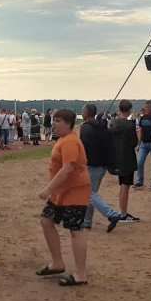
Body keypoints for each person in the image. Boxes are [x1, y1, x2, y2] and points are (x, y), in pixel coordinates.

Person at [35, 109, 93, 286]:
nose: (54, 124)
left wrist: (48, 189)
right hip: (60, 192)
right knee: (46, 221)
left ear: (69, 124)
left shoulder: (70, 141)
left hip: (75, 192)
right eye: (54, 120)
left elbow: (68, 169)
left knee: (75, 231)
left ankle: (81, 274)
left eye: (58, 120)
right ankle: (57, 263)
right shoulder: (63, 140)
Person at [79, 104, 123, 233]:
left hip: (91, 165)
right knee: (91, 193)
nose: (82, 113)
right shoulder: (103, 127)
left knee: (88, 193)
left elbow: (83, 147)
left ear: (87, 113)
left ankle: (111, 214)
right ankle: (87, 222)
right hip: (102, 165)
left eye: (83, 111)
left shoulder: (86, 128)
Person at [109, 100, 140, 225]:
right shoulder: (130, 125)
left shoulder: (113, 123)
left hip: (116, 158)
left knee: (123, 184)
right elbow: (134, 143)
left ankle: (123, 212)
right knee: (125, 185)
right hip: (127, 158)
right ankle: (123, 213)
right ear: (129, 110)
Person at [135, 101, 151, 189]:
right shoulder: (142, 118)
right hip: (143, 143)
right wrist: (139, 143)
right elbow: (140, 130)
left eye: (147, 107)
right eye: (145, 107)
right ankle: (139, 181)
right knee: (139, 162)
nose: (146, 109)